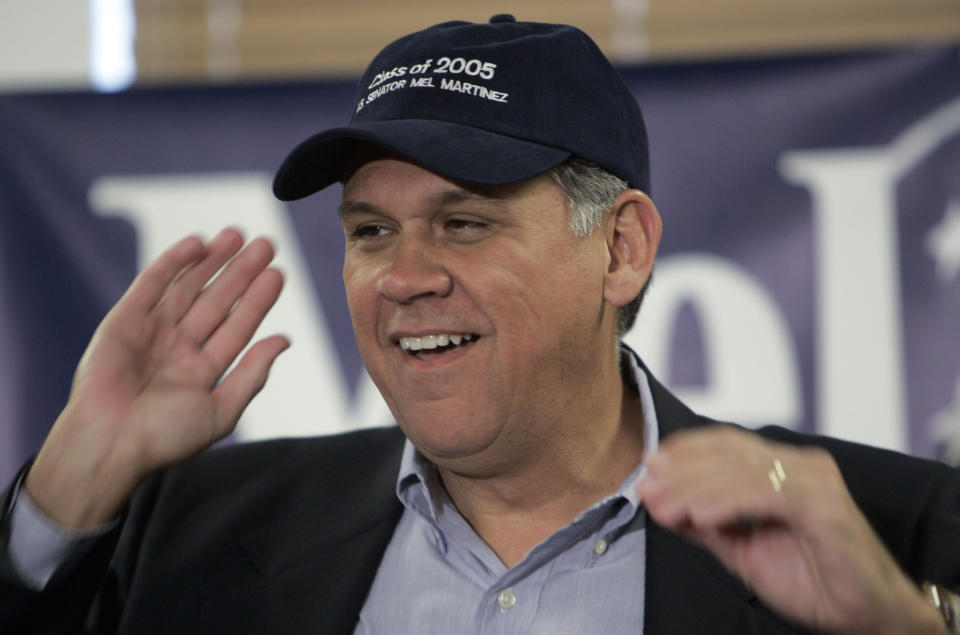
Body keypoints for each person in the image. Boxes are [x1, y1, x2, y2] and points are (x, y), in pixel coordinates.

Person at [2, 14, 959, 634]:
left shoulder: (894, 535)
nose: (406, 277)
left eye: (466, 222)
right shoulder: (192, 530)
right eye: (372, 231)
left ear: (621, 247)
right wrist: (66, 490)